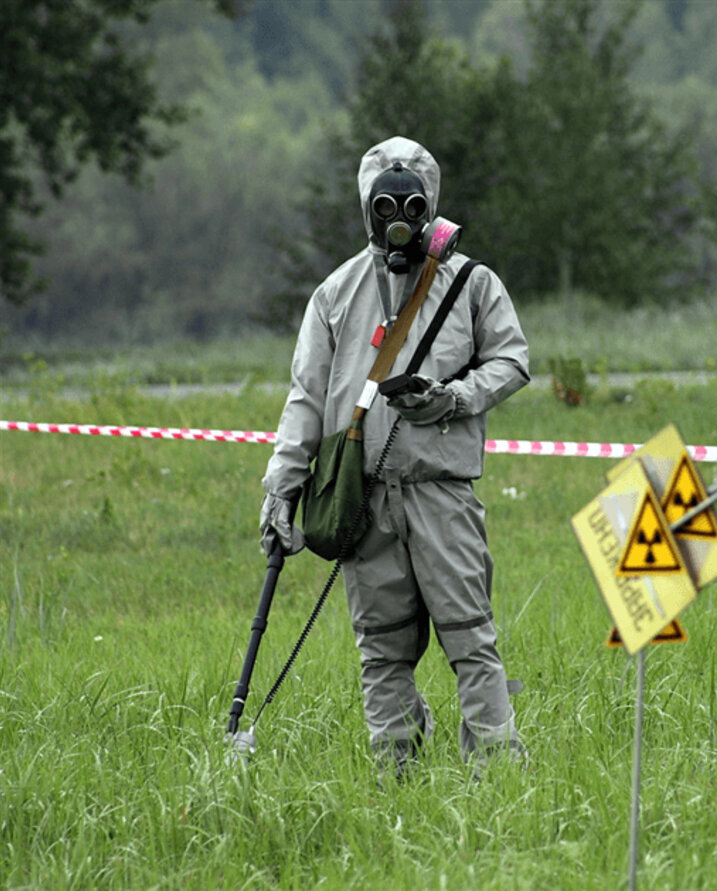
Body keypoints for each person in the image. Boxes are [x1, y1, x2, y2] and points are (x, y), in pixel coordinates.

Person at [258, 136, 530, 781]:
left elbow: (513, 360)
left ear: (431, 201)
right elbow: (307, 398)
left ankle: (497, 775)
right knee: (381, 650)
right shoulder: (336, 293)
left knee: (470, 637)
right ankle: (396, 777)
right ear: (366, 206)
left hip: (442, 490)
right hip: (364, 495)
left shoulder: (470, 283)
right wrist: (282, 487)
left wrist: (454, 398)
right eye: (386, 202)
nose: (399, 214)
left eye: (412, 201)